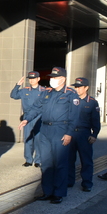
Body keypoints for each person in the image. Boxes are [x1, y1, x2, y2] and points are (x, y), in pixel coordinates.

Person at [19, 66, 79, 204]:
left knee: (60, 163)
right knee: (46, 163)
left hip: (60, 129)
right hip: (45, 130)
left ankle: (58, 193)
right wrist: (27, 119)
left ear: (63, 79)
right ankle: (47, 191)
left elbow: (75, 116)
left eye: (55, 77)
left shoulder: (71, 94)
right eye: (51, 77)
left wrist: (69, 133)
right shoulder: (47, 93)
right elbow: (36, 107)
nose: (52, 80)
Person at [67, 77, 100, 192]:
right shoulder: (70, 100)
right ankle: (69, 181)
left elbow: (95, 120)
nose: (77, 89)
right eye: (75, 86)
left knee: (86, 160)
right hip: (71, 133)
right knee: (69, 159)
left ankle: (87, 183)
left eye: (79, 87)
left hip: (84, 134)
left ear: (86, 88)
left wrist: (94, 134)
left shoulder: (92, 102)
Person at [10, 71, 46, 167]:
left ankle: (38, 160)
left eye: (33, 78)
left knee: (38, 139)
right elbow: (13, 95)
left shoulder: (43, 90)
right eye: (30, 78)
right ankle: (28, 160)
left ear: (38, 79)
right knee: (28, 139)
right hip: (27, 117)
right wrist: (17, 85)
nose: (31, 80)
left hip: (39, 117)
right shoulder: (25, 90)